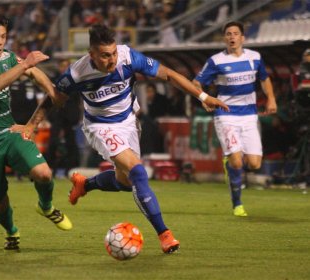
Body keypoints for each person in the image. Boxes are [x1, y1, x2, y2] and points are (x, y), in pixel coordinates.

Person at [53, 24, 229, 254]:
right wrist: (31, 125)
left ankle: (85, 184)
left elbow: (168, 74)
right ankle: (164, 234)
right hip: (100, 126)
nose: (112, 59)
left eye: (114, 52)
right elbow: (54, 98)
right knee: (138, 171)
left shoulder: (128, 57)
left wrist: (203, 96)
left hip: (128, 121)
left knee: (125, 183)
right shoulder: (77, 72)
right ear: (92, 54)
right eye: (105, 55)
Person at [0, 13, 72, 251]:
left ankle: (46, 206)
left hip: (8, 132)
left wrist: (51, 91)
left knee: (43, 173)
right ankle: (11, 231)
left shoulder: (9, 57)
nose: (0, 42)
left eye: (3, 37)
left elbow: (33, 72)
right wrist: (26, 63)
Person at [192, 21, 277, 217]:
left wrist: (271, 98)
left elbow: (264, 79)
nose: (231, 37)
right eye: (228, 34)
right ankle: (237, 204)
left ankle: (229, 161)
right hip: (226, 115)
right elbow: (196, 82)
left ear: (242, 38)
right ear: (225, 38)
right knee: (238, 162)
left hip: (249, 115)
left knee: (255, 164)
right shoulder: (216, 61)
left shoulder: (255, 58)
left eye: (235, 33)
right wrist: (203, 97)